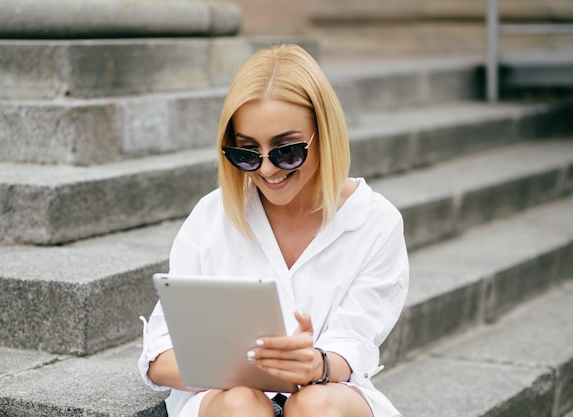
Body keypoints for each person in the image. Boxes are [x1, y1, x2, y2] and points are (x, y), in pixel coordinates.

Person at [138, 44, 409, 417]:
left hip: (332, 394)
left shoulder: (376, 222)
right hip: (226, 401)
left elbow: (354, 343)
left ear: (324, 134)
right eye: (247, 153)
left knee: (315, 404)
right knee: (241, 402)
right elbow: (158, 355)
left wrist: (317, 365)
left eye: (287, 151)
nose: (267, 170)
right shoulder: (213, 216)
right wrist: (241, 371)